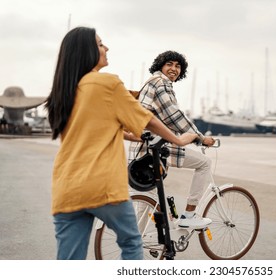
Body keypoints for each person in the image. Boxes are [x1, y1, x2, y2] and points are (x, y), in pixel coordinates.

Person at [45, 27, 197, 260]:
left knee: (69, 260)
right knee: (131, 243)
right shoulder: (107, 84)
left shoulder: (64, 90)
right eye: (100, 44)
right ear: (87, 51)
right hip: (101, 184)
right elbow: (147, 119)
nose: (106, 48)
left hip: (66, 186)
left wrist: (126, 133)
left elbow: (94, 129)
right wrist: (178, 139)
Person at [126, 50, 216, 229]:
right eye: (169, 64)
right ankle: (189, 215)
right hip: (153, 147)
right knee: (204, 163)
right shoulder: (161, 83)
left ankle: (135, 249)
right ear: (160, 66)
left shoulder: (151, 83)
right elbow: (174, 116)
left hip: (147, 146)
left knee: (146, 203)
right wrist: (200, 138)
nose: (174, 69)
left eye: (178, 66)